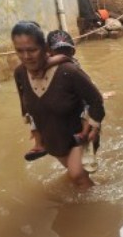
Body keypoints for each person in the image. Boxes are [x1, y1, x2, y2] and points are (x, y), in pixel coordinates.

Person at [12, 21, 105, 191]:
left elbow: (96, 100)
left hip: (80, 134)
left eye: (32, 50)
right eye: (19, 51)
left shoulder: (68, 71)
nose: (26, 56)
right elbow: (25, 104)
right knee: (75, 174)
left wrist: (94, 125)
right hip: (54, 137)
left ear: (45, 48)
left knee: (77, 175)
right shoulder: (19, 73)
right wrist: (36, 132)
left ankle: (96, 207)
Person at [24, 29, 93, 162]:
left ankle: (84, 133)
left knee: (86, 107)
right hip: (55, 116)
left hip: (75, 106)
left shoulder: (72, 65)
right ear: (48, 52)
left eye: (66, 51)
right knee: (33, 112)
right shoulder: (43, 66)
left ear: (72, 51)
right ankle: (39, 144)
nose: (63, 54)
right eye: (58, 51)